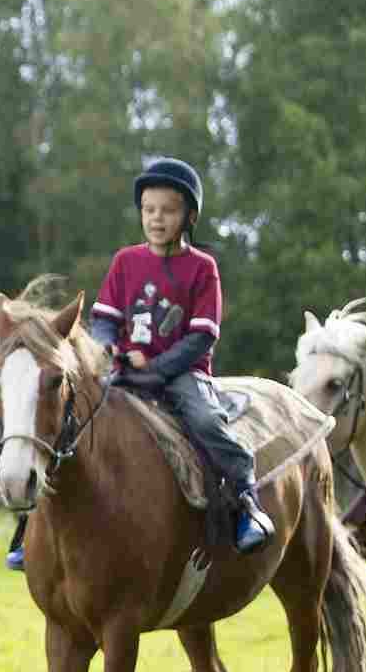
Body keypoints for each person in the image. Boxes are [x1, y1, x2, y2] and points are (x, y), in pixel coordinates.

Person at [87, 157, 274, 555]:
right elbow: (103, 321)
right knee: (71, 412)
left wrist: (155, 369)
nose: (156, 219)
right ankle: (31, 519)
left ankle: (246, 499)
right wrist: (109, 351)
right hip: (126, 368)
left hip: (182, 374)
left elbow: (202, 337)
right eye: (148, 210)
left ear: (189, 216)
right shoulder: (125, 262)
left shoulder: (203, 268)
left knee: (206, 422)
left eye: (168, 211)